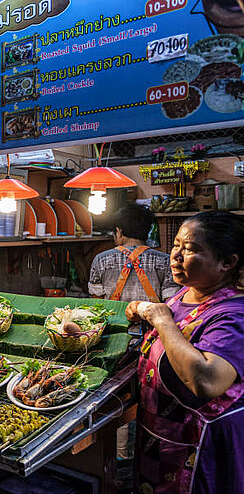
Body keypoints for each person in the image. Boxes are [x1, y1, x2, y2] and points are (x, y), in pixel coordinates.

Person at [126, 211, 244, 493]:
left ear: (227, 263)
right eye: (176, 245)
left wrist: (162, 319)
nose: (175, 257)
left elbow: (207, 380)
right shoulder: (185, 293)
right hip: (160, 435)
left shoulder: (234, 314)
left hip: (201, 446)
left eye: (189, 249)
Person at [88, 203, 179, 303]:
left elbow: (97, 301)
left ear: (119, 232)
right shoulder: (165, 260)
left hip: (113, 318)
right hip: (151, 317)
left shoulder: (101, 259)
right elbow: (171, 301)